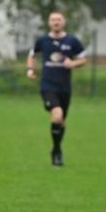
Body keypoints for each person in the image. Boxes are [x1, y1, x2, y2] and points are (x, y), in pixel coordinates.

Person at [27, 10, 87, 166]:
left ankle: (56, 148)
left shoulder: (72, 40)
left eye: (59, 19)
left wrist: (72, 64)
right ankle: (57, 151)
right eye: (53, 19)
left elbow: (83, 59)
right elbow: (32, 55)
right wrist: (30, 69)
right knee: (57, 115)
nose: (56, 22)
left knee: (61, 122)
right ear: (49, 22)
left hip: (65, 87)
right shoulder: (42, 40)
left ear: (63, 22)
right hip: (47, 85)